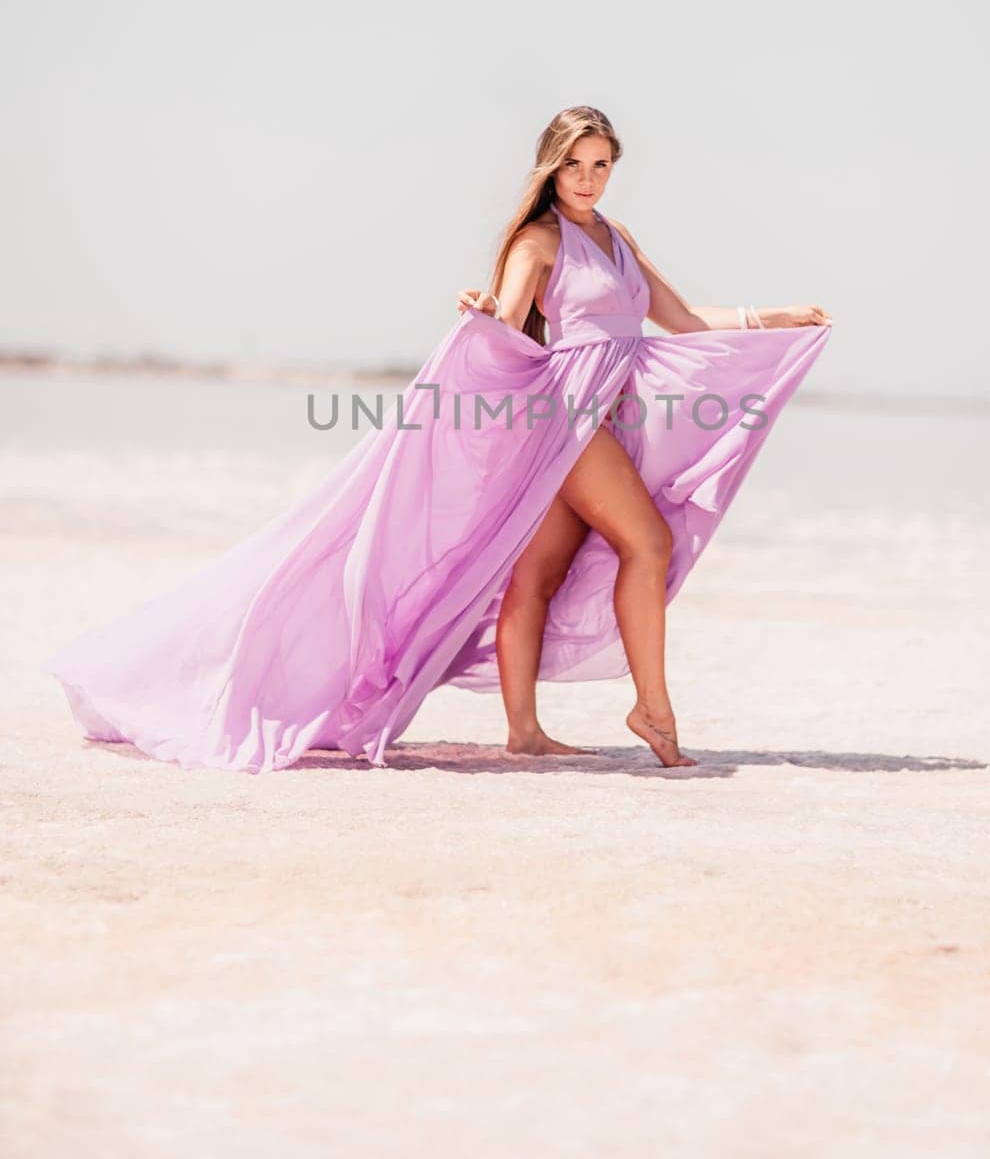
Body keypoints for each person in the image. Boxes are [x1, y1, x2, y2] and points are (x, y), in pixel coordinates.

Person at [45, 106, 832, 773]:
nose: (588, 178)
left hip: (607, 418)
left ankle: (524, 733)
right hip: (562, 418)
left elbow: (686, 321)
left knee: (538, 572)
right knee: (649, 545)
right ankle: (654, 712)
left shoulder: (617, 239)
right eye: (574, 165)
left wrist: (776, 318)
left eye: (600, 165)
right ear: (550, 170)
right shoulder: (539, 240)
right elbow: (504, 316)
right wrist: (478, 308)